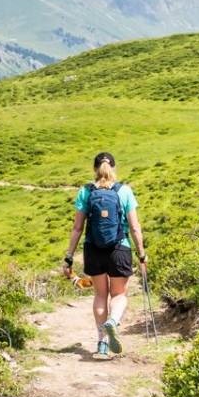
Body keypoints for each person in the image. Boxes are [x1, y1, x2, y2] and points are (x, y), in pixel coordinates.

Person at [61, 151, 147, 357]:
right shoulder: (124, 191)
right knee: (119, 294)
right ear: (114, 168)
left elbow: (77, 227)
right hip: (119, 248)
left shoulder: (86, 192)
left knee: (100, 294)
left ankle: (101, 343)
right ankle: (113, 321)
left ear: (94, 169)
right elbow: (135, 228)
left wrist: (69, 256)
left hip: (94, 249)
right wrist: (142, 254)